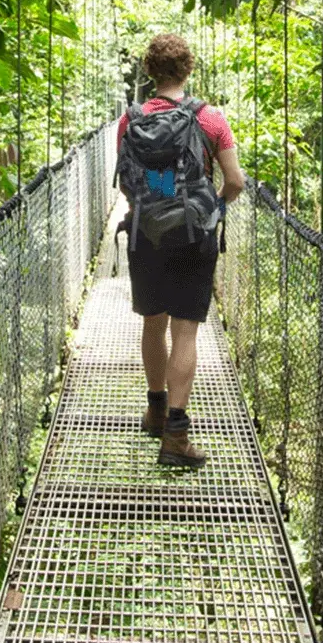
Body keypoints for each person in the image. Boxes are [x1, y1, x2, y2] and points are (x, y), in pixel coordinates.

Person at [115, 34, 246, 469]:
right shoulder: (210, 119)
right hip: (194, 235)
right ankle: (175, 434)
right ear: (188, 69)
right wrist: (209, 207)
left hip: (146, 234)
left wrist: (162, 200)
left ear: (150, 72)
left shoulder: (129, 120)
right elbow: (236, 182)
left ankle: (154, 409)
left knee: (154, 324)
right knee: (185, 330)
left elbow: (136, 180)